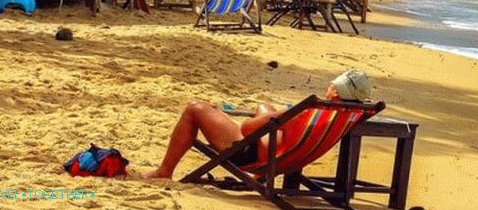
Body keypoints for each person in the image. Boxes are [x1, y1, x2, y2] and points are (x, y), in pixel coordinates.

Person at [143, 69, 372, 180]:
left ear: (335, 92)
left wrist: (267, 114)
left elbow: (248, 129)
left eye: (333, 85)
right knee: (265, 107)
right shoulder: (344, 116)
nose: (329, 86)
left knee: (195, 109)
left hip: (253, 158)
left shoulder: (308, 109)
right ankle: (264, 112)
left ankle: (164, 171)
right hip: (285, 161)